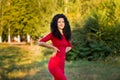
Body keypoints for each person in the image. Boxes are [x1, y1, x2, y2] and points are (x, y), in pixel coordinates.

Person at [38, 14, 72, 80]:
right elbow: (40, 42)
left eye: (63, 22)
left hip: (62, 64)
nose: (61, 23)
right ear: (56, 24)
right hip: (54, 64)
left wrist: (62, 52)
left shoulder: (65, 35)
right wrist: (53, 48)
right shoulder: (53, 34)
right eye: (59, 22)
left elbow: (70, 46)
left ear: (65, 23)